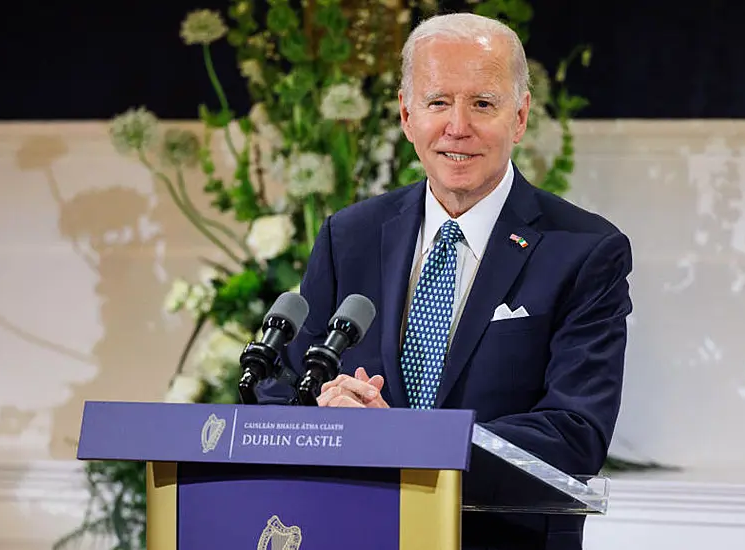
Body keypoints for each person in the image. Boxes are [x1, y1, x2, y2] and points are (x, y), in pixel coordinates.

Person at [260, 12, 633, 550]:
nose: (458, 126)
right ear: (407, 115)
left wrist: (406, 441)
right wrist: (329, 414)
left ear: (520, 116)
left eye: (483, 103)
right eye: (438, 103)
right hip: (352, 530)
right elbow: (287, 390)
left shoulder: (585, 250)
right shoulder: (351, 235)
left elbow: (574, 433)